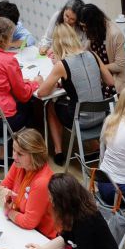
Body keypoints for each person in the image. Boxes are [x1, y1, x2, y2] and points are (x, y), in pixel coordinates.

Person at [37, 23, 113, 165]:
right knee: (82, 103)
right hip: (102, 116)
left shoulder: (62, 65)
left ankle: (59, 151)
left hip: (81, 121)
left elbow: (42, 93)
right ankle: (95, 145)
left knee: (50, 106)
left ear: (57, 43)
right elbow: (110, 81)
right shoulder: (93, 55)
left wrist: (40, 81)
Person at [0, 129, 58, 238]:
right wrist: (5, 194)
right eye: (13, 150)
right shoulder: (20, 164)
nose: (14, 157)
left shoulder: (42, 182)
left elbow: (28, 222)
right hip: (23, 225)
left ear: (34, 156)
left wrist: (8, 211)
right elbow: (4, 185)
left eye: (20, 154)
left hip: (42, 235)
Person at [79, 4, 125, 97]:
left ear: (93, 24)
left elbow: (120, 65)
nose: (84, 30)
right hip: (98, 77)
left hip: (114, 82)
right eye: (82, 26)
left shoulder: (115, 34)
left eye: (86, 26)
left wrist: (99, 67)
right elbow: (84, 50)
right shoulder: (93, 31)